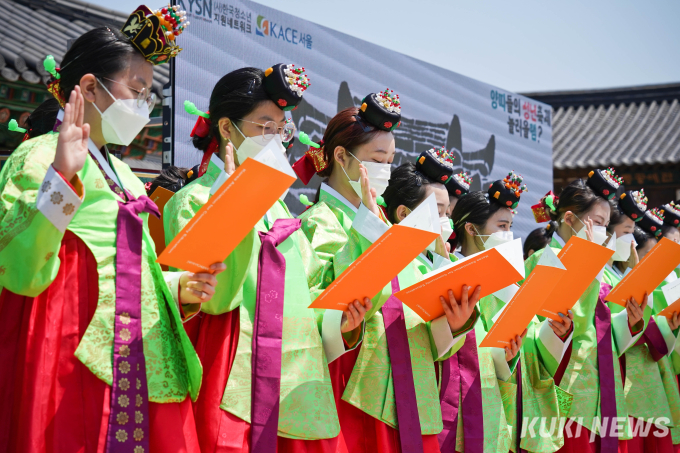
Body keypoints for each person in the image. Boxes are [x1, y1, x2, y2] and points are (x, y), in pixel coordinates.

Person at [0, 5, 226, 452]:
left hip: (142, 350)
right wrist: (62, 177)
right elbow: (16, 259)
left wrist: (178, 285)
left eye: (149, 95)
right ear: (89, 87)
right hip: (76, 345)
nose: (143, 106)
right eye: (136, 90)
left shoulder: (123, 172)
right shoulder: (39, 155)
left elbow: (133, 265)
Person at [164, 63, 369, 452]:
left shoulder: (280, 210)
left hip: (296, 377)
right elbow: (215, 296)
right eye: (264, 127)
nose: (276, 138)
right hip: (234, 369)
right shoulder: (192, 201)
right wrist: (232, 204)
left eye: (281, 129)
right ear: (227, 129)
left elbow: (311, 286)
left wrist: (339, 316)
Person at [296, 96, 478, 452]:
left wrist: (450, 323)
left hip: (407, 388)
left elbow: (413, 311)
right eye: (378, 160)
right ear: (342, 157)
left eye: (391, 161)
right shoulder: (317, 222)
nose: (385, 170)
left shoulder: (385, 226)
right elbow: (324, 308)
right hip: (355, 386)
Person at [448, 171, 573, 453]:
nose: (508, 235)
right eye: (501, 226)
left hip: (518, 400)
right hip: (472, 402)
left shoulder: (513, 283)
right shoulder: (454, 276)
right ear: (470, 229)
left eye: (511, 226)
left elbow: (532, 349)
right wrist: (502, 357)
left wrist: (555, 332)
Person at [526, 169, 648, 452]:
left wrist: (629, 322)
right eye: (597, 222)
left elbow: (599, 328)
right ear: (570, 219)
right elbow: (567, 323)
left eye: (607, 224)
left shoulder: (599, 269)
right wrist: (588, 264)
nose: (604, 232)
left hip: (598, 378)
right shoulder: (542, 261)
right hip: (564, 383)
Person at [602, 191, 680, 452]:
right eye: (626, 232)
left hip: (643, 372)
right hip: (619, 376)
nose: (630, 241)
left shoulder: (618, 275)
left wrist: (668, 325)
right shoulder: (602, 277)